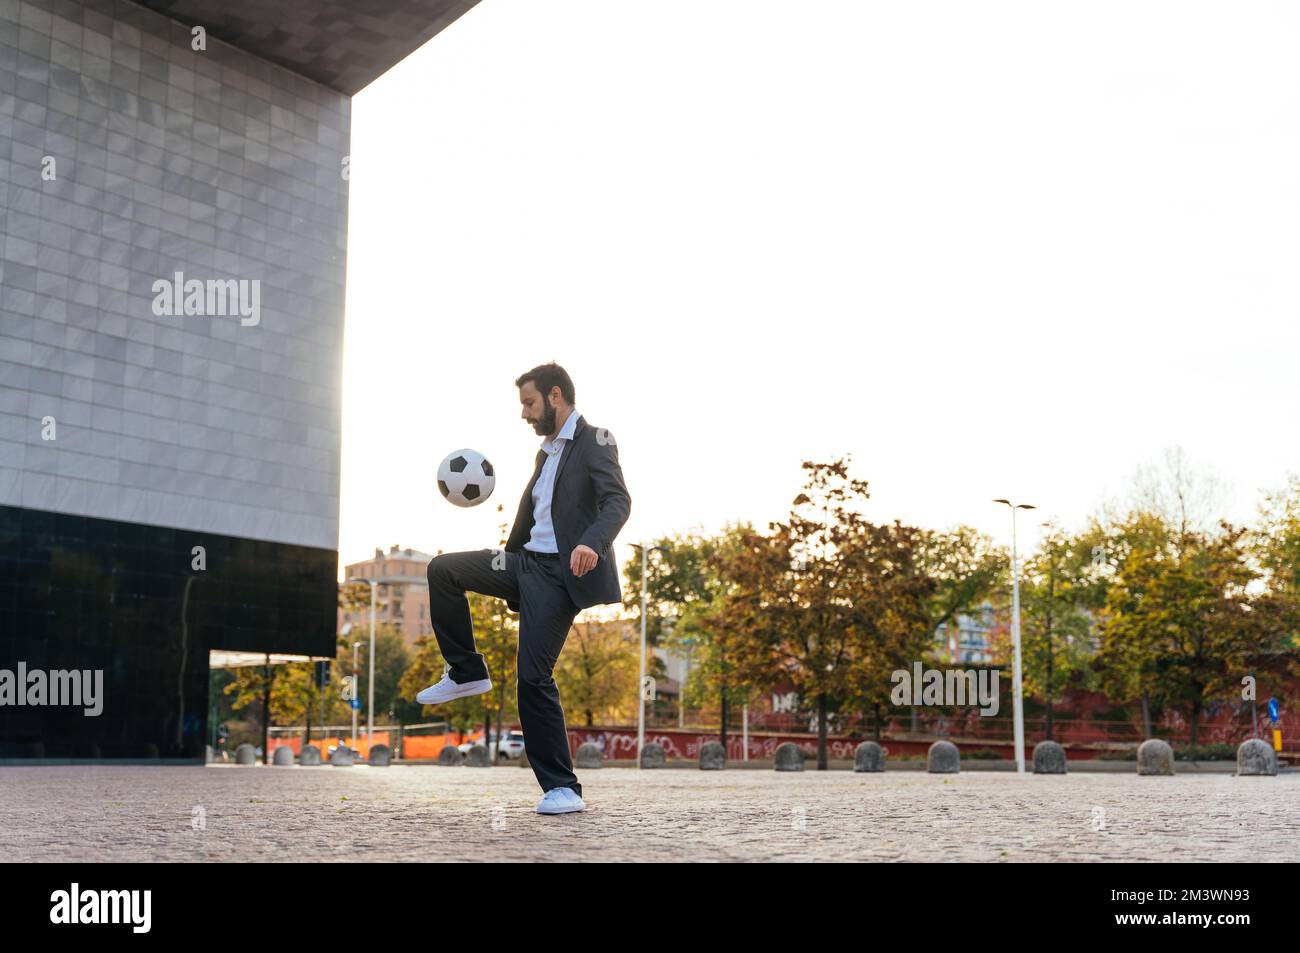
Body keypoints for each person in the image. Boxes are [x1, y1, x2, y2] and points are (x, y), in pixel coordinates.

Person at [415, 362, 631, 814]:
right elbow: (535, 517)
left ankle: (563, 788)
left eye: (529, 403)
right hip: (521, 564)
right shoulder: (546, 452)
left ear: (556, 396)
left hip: (558, 576)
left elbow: (618, 502)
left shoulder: (596, 441)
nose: (524, 414)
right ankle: (467, 671)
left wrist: (592, 543)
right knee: (443, 570)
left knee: (533, 678)